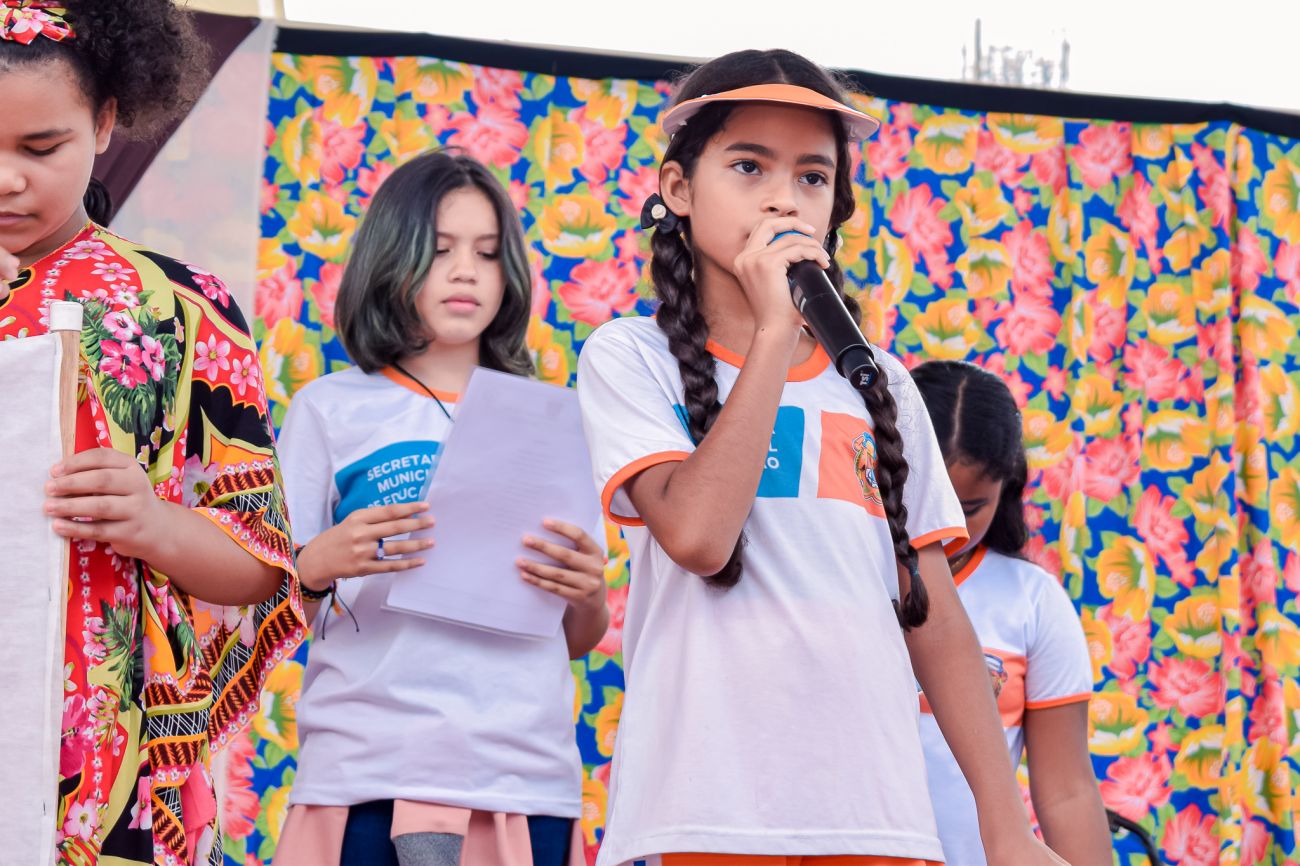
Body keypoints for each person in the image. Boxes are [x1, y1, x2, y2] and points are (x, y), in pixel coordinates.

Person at [576, 49, 1070, 866]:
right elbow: (698, 538)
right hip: (708, 811)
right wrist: (776, 332)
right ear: (678, 189)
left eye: (812, 176)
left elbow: (934, 615)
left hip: (874, 814)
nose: (783, 198)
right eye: (748, 166)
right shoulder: (631, 357)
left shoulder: (881, 385)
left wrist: (1004, 822)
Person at [0, 1, 305, 863]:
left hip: (110, 758)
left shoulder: (179, 308)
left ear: (105, 123)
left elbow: (259, 567)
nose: (6, 179)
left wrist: (151, 522)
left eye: (40, 148)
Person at [274, 149, 608, 866]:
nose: (465, 272)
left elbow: (577, 636)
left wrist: (588, 593)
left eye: (486, 253)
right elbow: (271, 603)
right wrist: (318, 562)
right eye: (440, 249)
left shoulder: (560, 420)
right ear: (390, 256)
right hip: (365, 767)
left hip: (522, 773)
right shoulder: (330, 408)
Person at [911, 359, 1110, 866]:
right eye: (927, 500)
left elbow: (1067, 791)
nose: (947, 526)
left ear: (1007, 487)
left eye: (969, 508)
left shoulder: (1033, 600)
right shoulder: (845, 577)